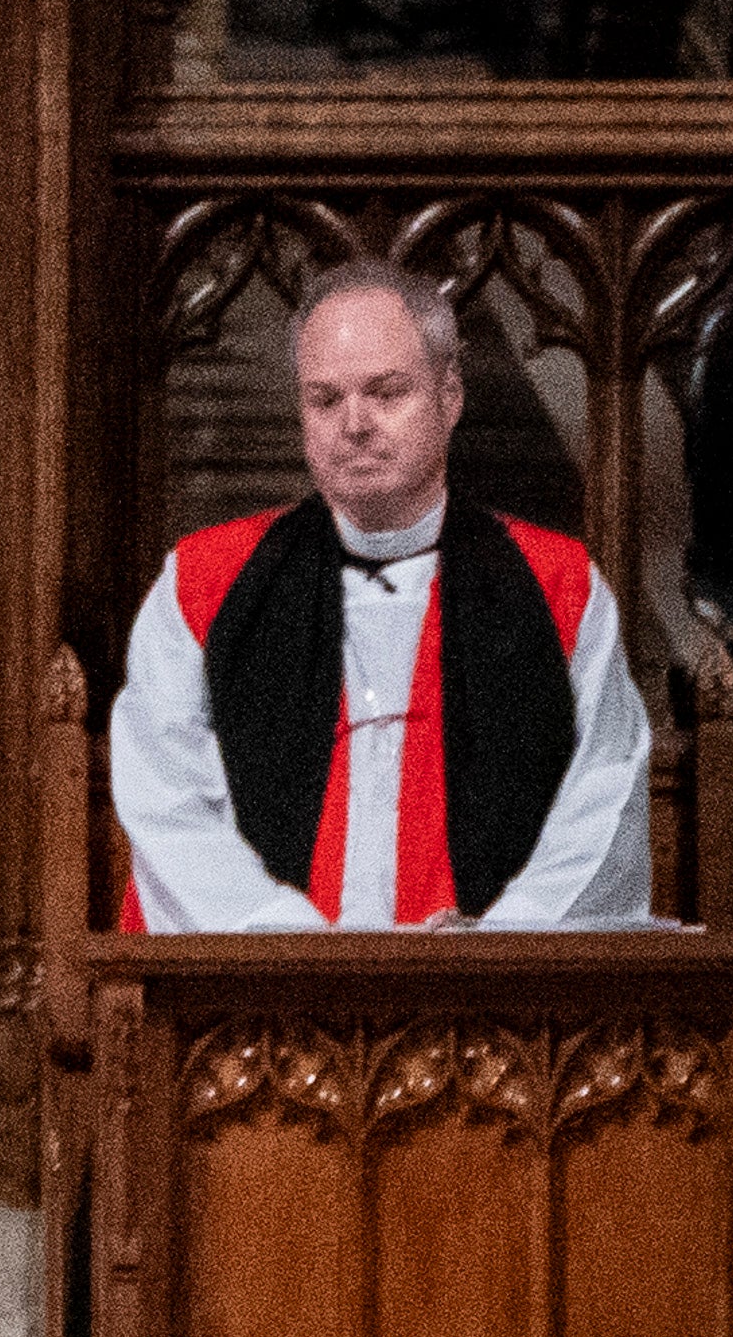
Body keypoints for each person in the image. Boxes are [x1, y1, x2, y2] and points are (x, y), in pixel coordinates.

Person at [110, 258, 652, 931]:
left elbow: (604, 797)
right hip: (258, 998)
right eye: (326, 399)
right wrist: (283, 939)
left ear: (449, 399)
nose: (355, 423)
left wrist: (505, 940)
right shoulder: (204, 583)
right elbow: (165, 801)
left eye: (387, 392)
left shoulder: (558, 585)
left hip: (488, 999)